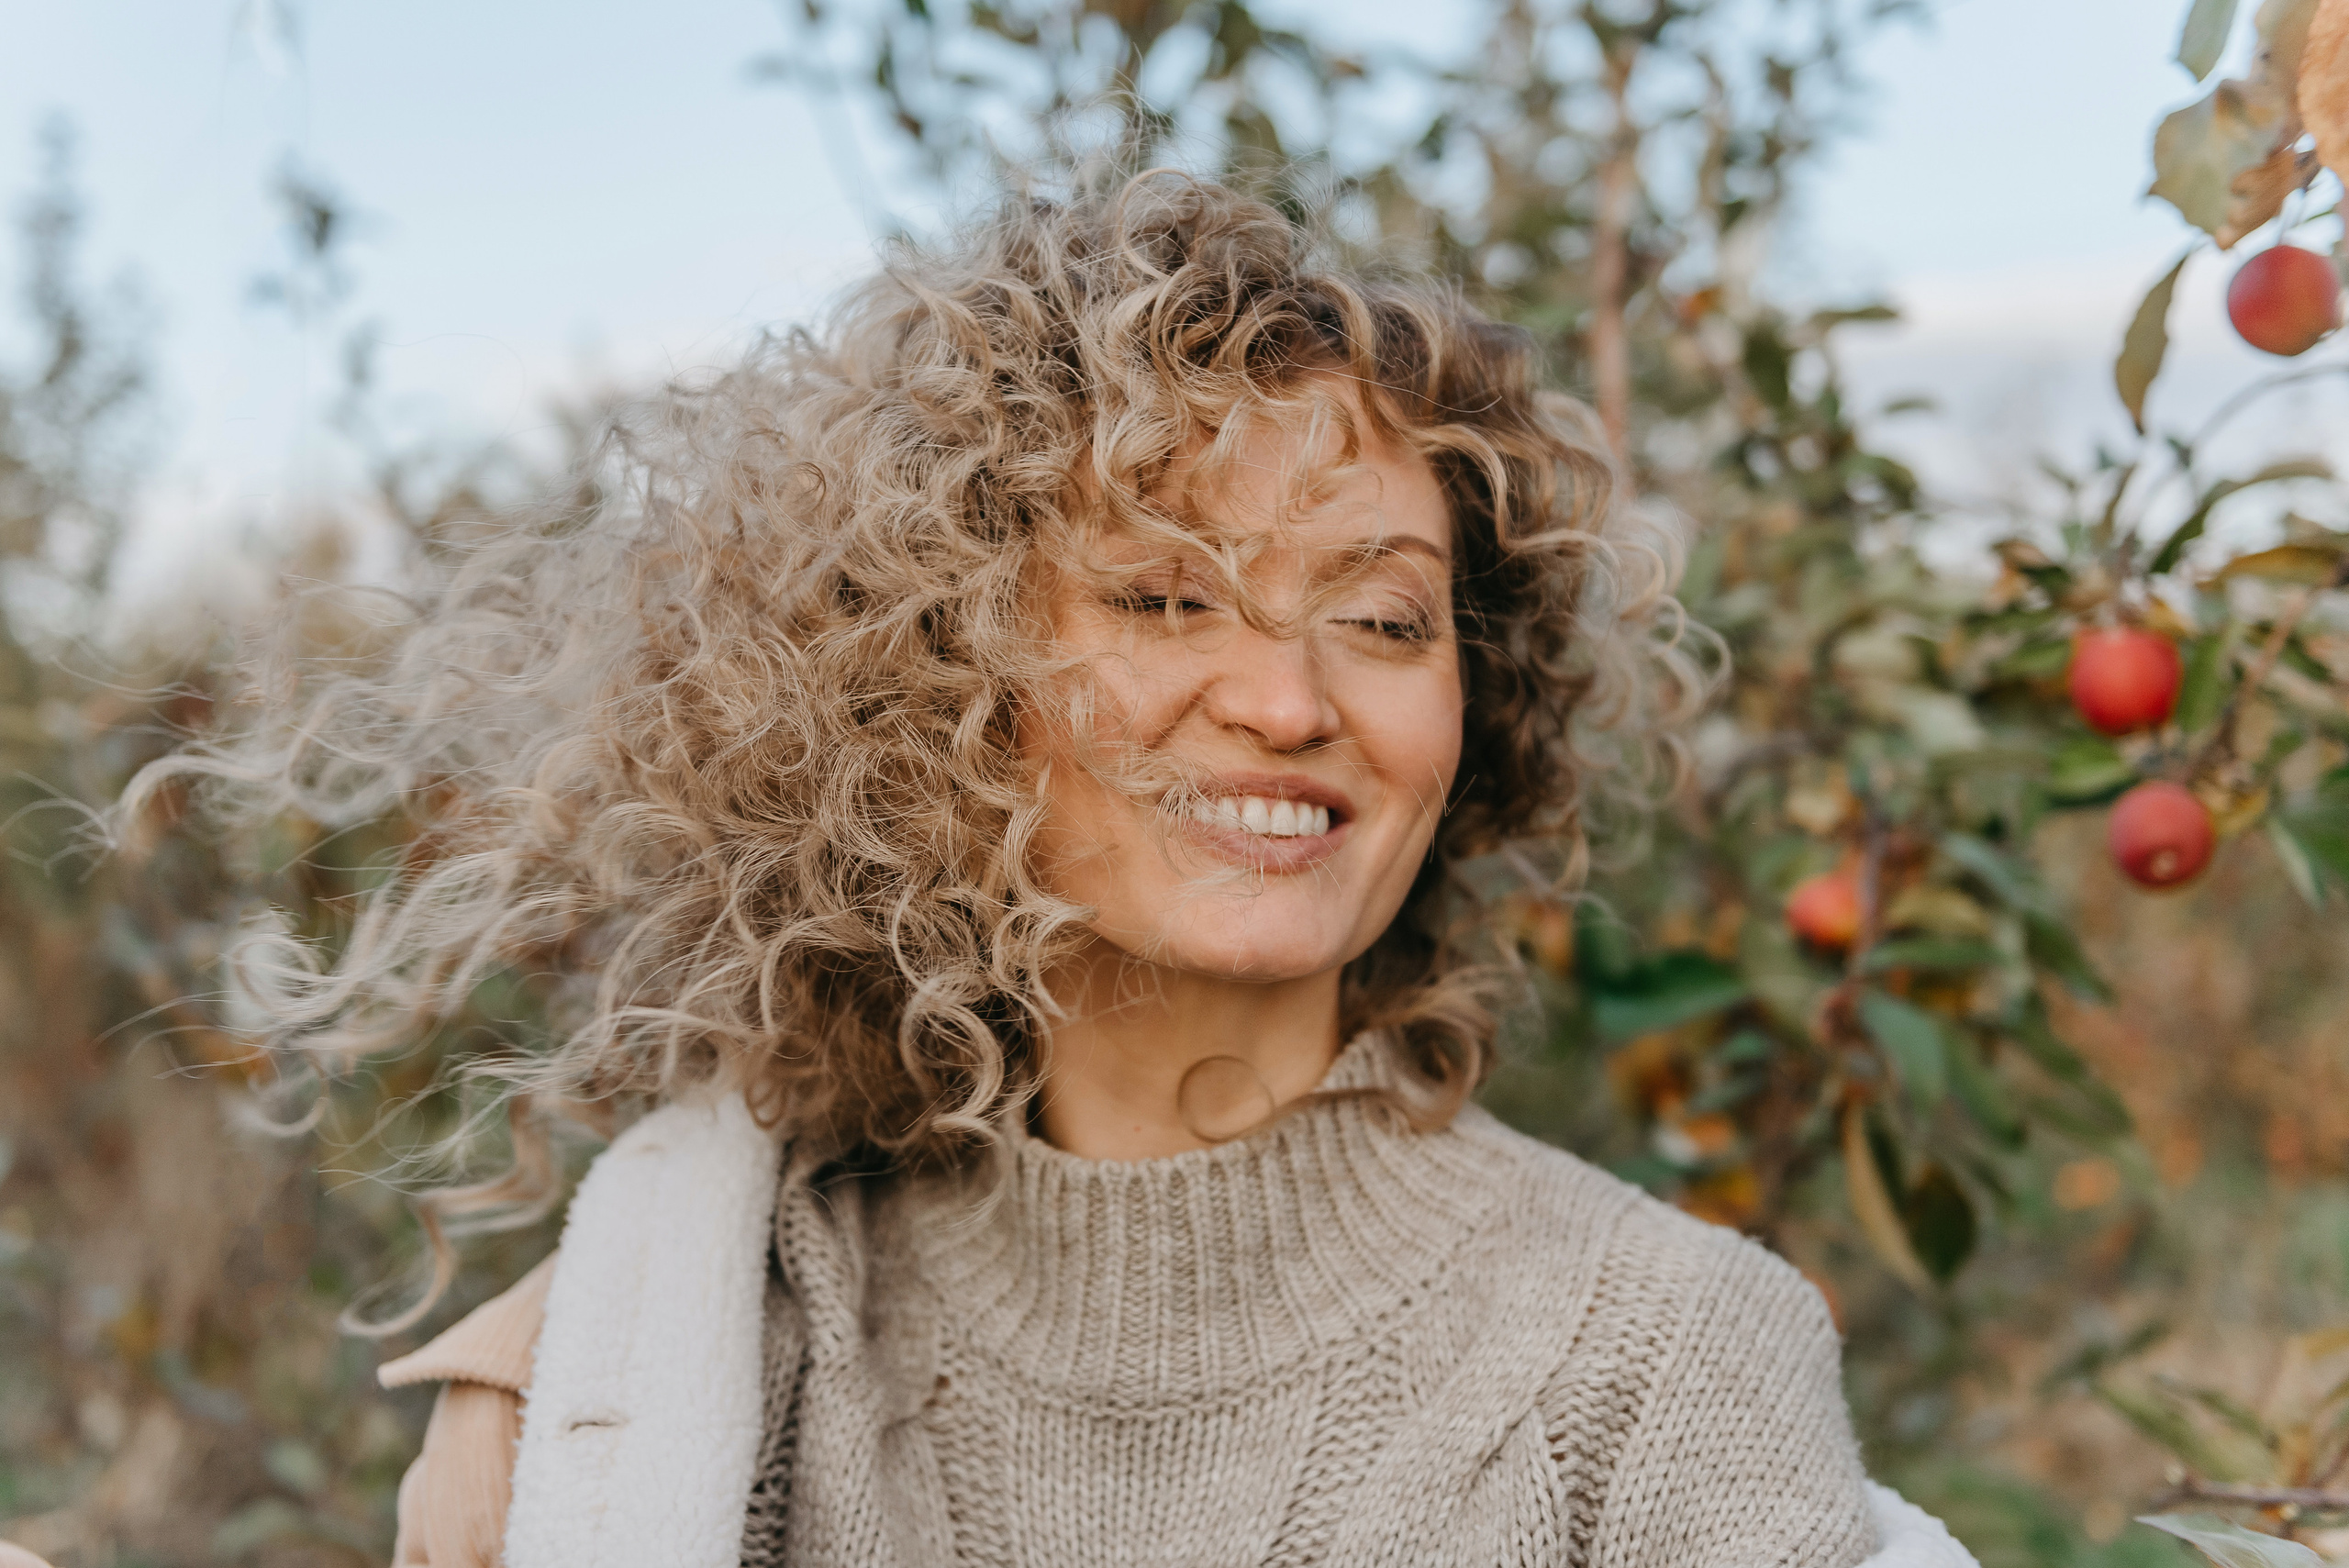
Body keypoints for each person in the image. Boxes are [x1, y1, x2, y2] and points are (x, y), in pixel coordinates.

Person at [59, 171, 1976, 1568]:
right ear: (936, 691)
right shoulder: (681, 1345)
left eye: (1383, 622)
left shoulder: (1652, 1357)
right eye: (1162, 594)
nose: (1288, 699)